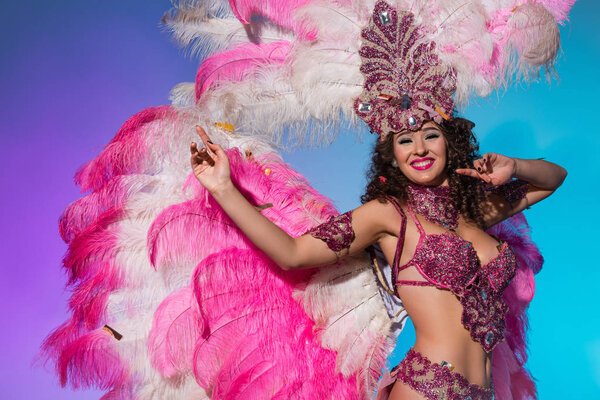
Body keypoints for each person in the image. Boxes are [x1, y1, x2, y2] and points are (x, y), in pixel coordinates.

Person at [190, 116, 566, 399]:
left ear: (450, 143)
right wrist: (223, 188)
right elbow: (293, 253)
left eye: (430, 135)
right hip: (428, 389)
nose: (419, 149)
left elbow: (553, 178)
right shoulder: (388, 214)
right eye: (405, 140)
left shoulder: (476, 210)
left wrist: (515, 166)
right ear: (393, 155)